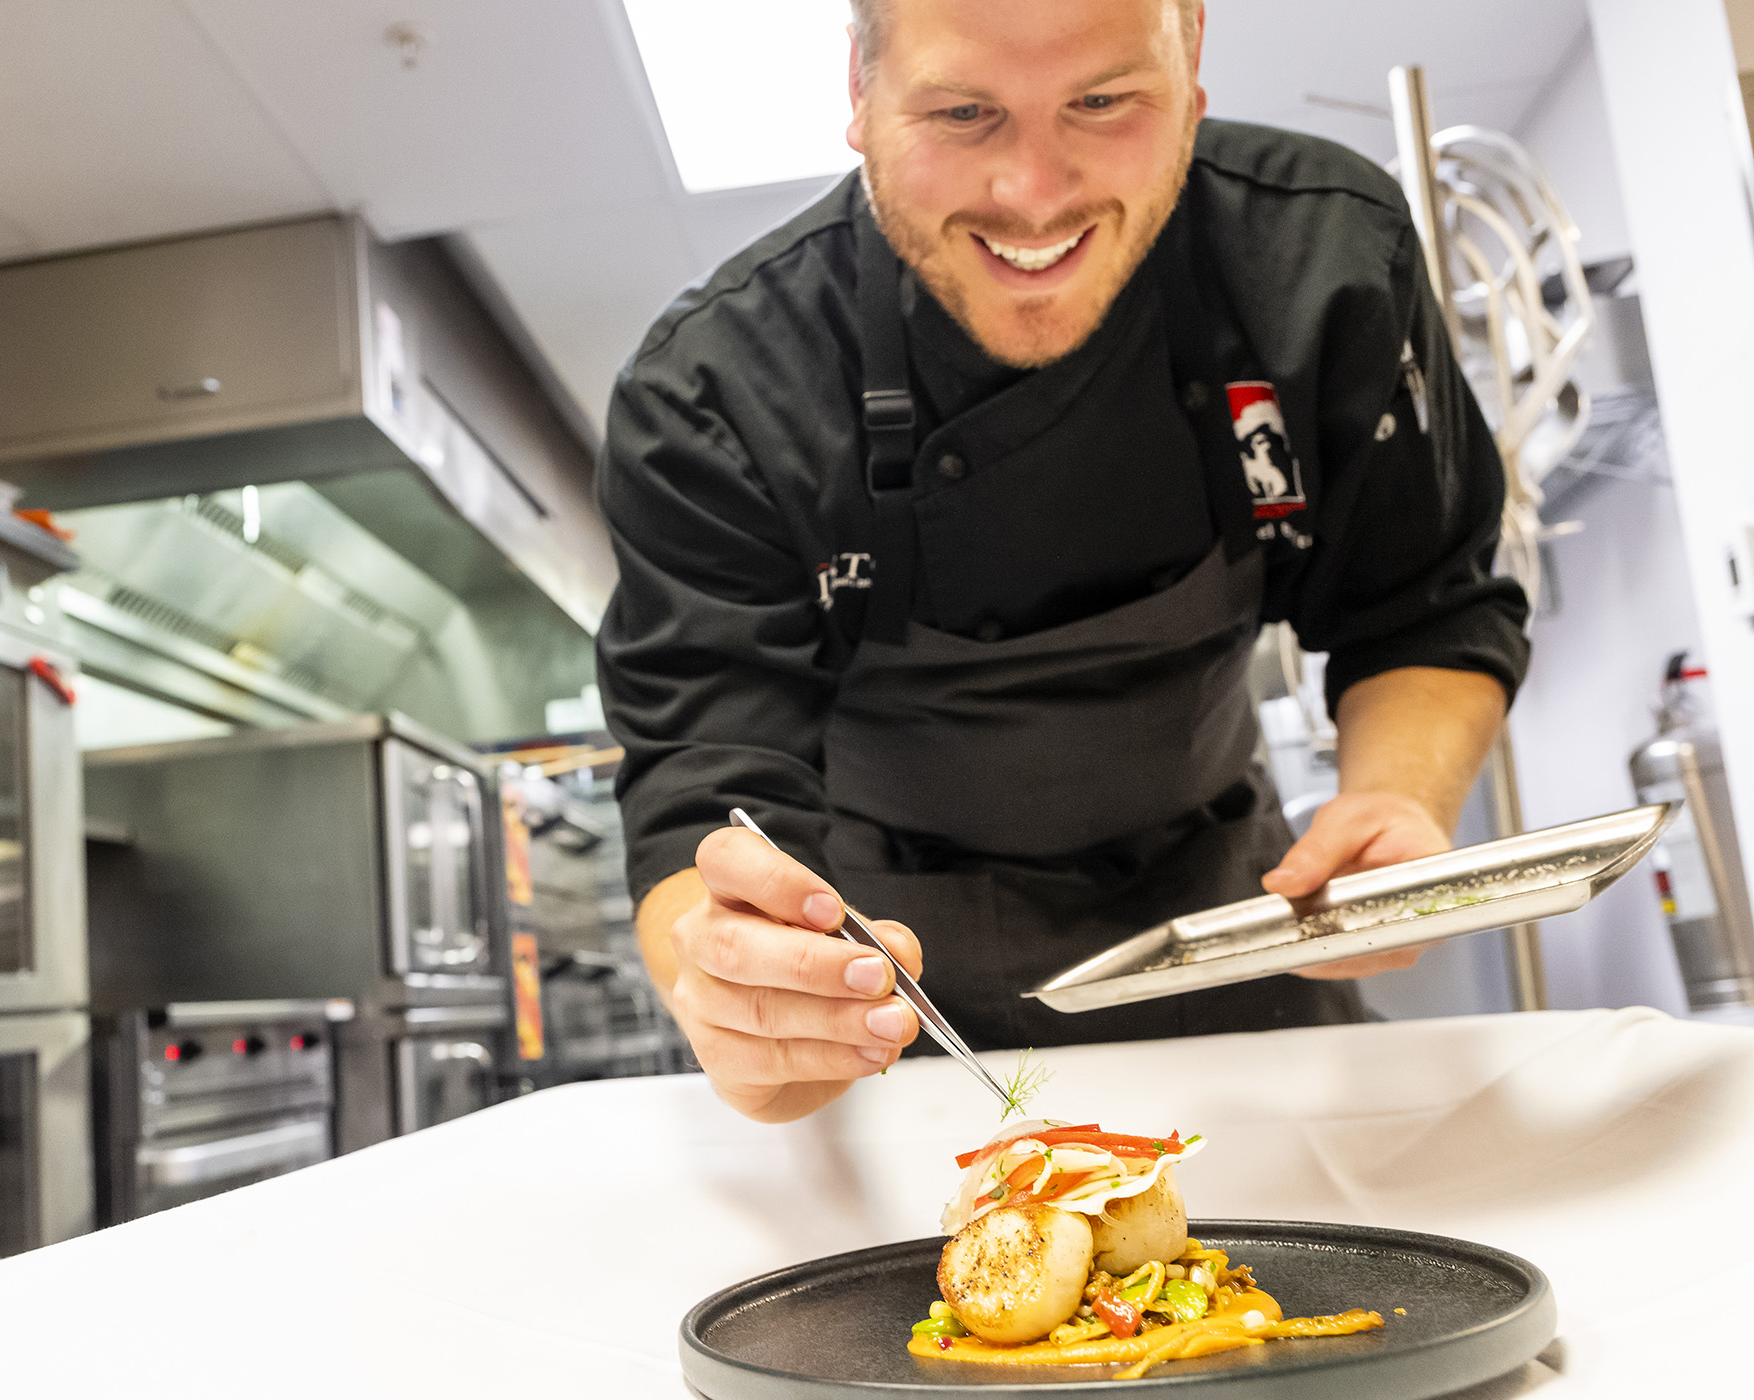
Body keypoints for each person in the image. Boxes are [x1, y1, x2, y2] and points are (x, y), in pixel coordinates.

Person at [594, 0, 1527, 1123]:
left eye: (1102, 101)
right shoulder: (717, 394)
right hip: (896, 1016)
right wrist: (743, 992)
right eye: (963, 111)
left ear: (1192, 69)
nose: (1035, 193)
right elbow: (704, 786)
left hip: (1237, 942)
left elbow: (1425, 609)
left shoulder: (1323, 264)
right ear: (859, 90)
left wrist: (1392, 800)